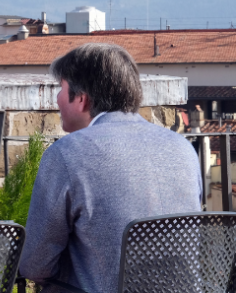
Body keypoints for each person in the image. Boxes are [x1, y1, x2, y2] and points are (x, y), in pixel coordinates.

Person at [19, 43, 202, 293]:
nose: (57, 99)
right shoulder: (183, 148)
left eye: (60, 88)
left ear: (81, 98)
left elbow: (34, 266)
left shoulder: (67, 154)